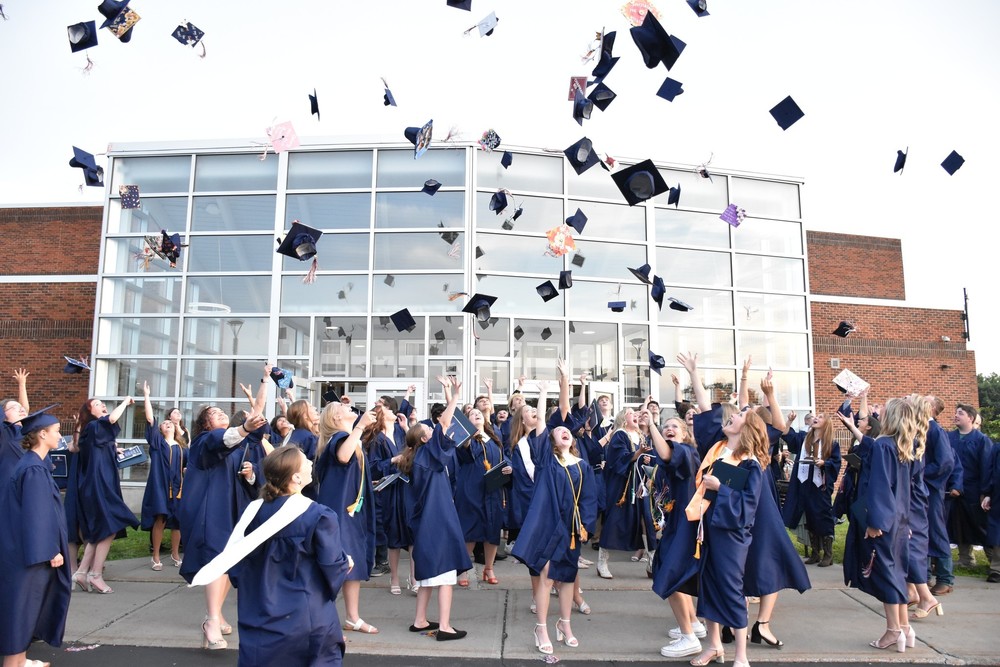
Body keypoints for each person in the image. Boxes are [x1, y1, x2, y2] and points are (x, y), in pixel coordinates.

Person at [226, 445, 353, 667]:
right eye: (306, 462)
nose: (311, 463)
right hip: (306, 616)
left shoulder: (252, 513)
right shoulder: (318, 515)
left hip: (258, 614)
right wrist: (345, 564)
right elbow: (331, 566)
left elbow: (236, 569)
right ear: (295, 477)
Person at [513, 358, 597, 655]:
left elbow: (588, 499)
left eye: (567, 431)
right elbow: (545, 423)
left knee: (567, 577)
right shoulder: (546, 460)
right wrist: (548, 391)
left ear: (572, 439)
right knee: (547, 577)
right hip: (549, 526)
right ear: (550, 438)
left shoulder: (581, 465)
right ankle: (541, 627)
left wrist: (585, 525)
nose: (564, 430)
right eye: (558, 430)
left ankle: (565, 624)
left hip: (571, 529)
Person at [178, 405, 267, 649]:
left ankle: (215, 612)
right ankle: (212, 621)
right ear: (205, 424)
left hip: (233, 508)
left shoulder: (236, 444)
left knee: (230, 562)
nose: (220, 413)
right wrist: (245, 427)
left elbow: (249, 464)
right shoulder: (204, 441)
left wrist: (250, 474)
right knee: (216, 560)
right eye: (214, 413)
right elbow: (225, 439)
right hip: (210, 510)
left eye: (222, 411)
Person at [687, 405, 766, 667]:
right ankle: (714, 646)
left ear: (748, 428)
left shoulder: (750, 463)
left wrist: (721, 488)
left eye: (740, 415)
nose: (732, 415)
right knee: (708, 586)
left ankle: (741, 656)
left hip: (731, 536)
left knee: (732, 590)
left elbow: (748, 506)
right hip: (708, 528)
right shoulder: (718, 451)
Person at [841, 398, 917, 653]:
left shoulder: (884, 445)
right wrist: (854, 428)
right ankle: (905, 627)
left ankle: (893, 630)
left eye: (883, 409)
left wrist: (875, 522)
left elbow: (880, 486)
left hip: (884, 521)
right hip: (900, 520)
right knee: (898, 573)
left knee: (886, 574)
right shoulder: (902, 445)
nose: (878, 411)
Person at [397, 375, 469, 641]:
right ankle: (445, 627)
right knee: (446, 574)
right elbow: (446, 422)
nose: (433, 430)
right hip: (438, 521)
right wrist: (454, 396)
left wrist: (449, 394)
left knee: (427, 576)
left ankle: (420, 620)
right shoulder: (429, 454)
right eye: (429, 431)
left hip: (427, 522)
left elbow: (446, 426)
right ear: (425, 440)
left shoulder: (419, 457)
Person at [0, 409, 71, 667]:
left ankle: (20, 662)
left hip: (24, 551)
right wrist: (51, 549)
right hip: (30, 555)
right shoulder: (33, 469)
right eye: (56, 431)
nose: (59, 436)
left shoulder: (34, 464)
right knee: (21, 614)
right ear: (42, 434)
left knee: (25, 613)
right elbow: (36, 514)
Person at [316, 401, 378, 635]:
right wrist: (360, 426)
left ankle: (352, 618)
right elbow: (343, 457)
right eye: (342, 407)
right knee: (336, 565)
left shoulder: (349, 438)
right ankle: (322, 619)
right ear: (335, 418)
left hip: (350, 512)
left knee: (355, 565)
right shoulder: (338, 439)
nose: (350, 406)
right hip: (339, 513)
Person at [72, 396, 140, 595]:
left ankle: (82, 572)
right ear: (89, 412)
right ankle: (94, 574)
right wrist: (125, 402)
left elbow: (98, 447)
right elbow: (111, 419)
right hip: (98, 485)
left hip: (101, 483)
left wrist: (114, 449)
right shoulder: (94, 426)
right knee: (110, 526)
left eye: (102, 403)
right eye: (97, 404)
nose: (102, 405)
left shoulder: (94, 432)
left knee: (101, 529)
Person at [650, 416, 704, 658]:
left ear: (684, 434)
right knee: (678, 576)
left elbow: (665, 453)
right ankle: (692, 623)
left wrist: (651, 425)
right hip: (677, 522)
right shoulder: (684, 454)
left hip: (684, 525)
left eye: (674, 426)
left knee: (669, 576)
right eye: (666, 427)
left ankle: (689, 637)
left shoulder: (684, 452)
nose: (669, 429)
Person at [454, 407, 510, 586]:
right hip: (471, 489)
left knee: (492, 530)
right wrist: (469, 433)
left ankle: (489, 568)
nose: (477, 414)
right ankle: (464, 569)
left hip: (493, 490)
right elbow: (466, 451)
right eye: (472, 414)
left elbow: (504, 457)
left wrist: (509, 467)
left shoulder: (494, 438)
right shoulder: (467, 439)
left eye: (479, 413)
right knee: (470, 529)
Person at [782, 407, 842, 567]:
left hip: (820, 486)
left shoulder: (831, 443)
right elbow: (787, 435)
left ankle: (828, 554)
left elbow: (836, 463)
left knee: (822, 517)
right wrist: (789, 421)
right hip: (804, 483)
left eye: (820, 417)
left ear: (826, 423)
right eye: (816, 416)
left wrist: (824, 463)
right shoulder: (804, 438)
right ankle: (815, 552)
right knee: (809, 517)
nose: (816, 418)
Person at [365, 404, 411, 595]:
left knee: (411, 533)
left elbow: (415, 446)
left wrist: (407, 427)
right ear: (382, 417)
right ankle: (393, 576)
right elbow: (373, 467)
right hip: (388, 491)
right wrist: (392, 460)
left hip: (406, 488)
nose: (393, 411)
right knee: (392, 534)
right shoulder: (377, 440)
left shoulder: (400, 433)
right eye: (388, 410)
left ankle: (414, 578)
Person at [598, 406, 649, 579]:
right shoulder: (620, 434)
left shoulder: (641, 436)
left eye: (636, 413)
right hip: (621, 485)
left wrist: (644, 458)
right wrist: (638, 453)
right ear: (622, 418)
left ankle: (651, 560)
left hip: (639, 484)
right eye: (631, 413)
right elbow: (618, 460)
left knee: (644, 520)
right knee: (614, 520)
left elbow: (640, 459)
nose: (635, 415)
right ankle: (602, 561)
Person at [140, 381, 186, 570]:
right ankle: (156, 556)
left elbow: (189, 464)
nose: (167, 424)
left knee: (178, 523)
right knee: (160, 519)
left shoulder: (182, 447)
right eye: (164, 424)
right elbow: (150, 419)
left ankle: (175, 554)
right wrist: (146, 396)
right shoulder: (157, 444)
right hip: (161, 487)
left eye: (170, 423)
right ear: (160, 430)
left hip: (178, 488)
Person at [948, 404, 994, 569]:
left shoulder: (981, 440)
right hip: (954, 490)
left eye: (960, 413)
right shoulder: (949, 437)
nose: (956, 415)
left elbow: (987, 467)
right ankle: (966, 559)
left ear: (971, 418)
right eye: (956, 412)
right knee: (959, 524)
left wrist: (985, 492)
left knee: (981, 526)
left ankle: (994, 562)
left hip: (974, 490)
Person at [923, 396, 957, 597]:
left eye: (925, 401)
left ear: (933, 408)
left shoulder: (936, 430)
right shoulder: (922, 428)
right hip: (922, 489)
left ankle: (945, 578)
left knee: (936, 531)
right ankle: (924, 575)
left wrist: (920, 474)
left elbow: (946, 462)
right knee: (923, 531)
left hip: (932, 489)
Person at [0, 368, 31, 484]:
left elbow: (25, 410)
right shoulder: (4, 431)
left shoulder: (28, 430)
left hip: (26, 481)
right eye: (14, 408)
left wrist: (22, 384)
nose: (21, 410)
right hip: (8, 483)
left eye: (20, 408)